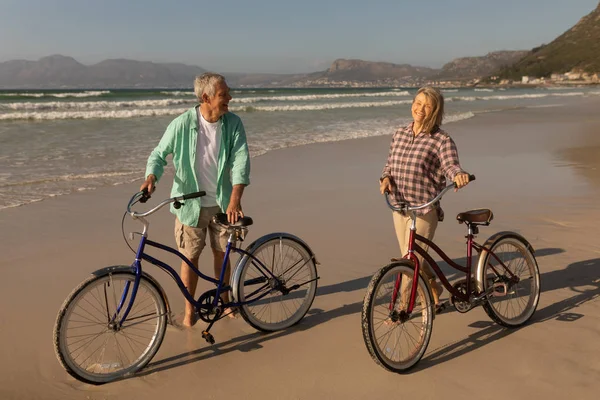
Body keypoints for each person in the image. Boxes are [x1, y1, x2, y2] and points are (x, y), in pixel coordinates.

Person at [141, 72, 251, 327]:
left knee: (222, 254)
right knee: (189, 257)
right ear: (206, 97)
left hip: (223, 202)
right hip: (189, 205)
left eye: (227, 93)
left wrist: (235, 200)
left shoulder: (233, 123)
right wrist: (151, 178)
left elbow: (241, 161)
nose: (229, 98)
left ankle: (224, 303)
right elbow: (158, 155)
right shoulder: (181, 124)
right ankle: (190, 312)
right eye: (224, 95)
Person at [379, 86, 470, 312]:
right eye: (418, 103)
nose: (420, 109)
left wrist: (458, 175)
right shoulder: (399, 133)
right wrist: (385, 178)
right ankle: (432, 289)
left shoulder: (441, 139)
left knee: (410, 262)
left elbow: (450, 165)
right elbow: (390, 164)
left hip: (424, 208)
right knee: (411, 256)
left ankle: (402, 309)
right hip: (399, 207)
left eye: (427, 105)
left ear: (435, 111)